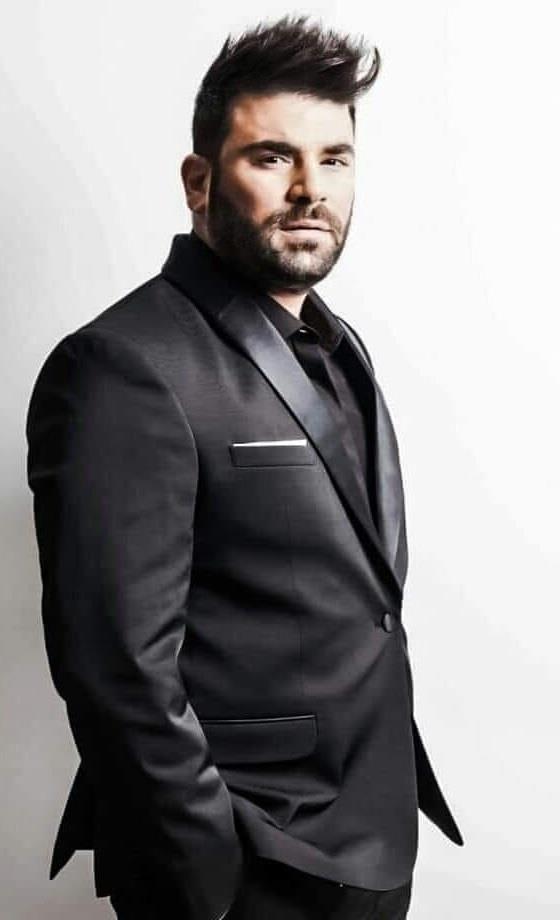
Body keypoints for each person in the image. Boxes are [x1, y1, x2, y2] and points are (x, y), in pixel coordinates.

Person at [25, 14, 463, 920]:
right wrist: (204, 875)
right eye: (272, 157)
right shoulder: (122, 366)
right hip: (243, 862)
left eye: (334, 159)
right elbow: (116, 667)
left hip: (371, 835)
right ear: (199, 181)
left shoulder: (338, 347)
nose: (311, 189)